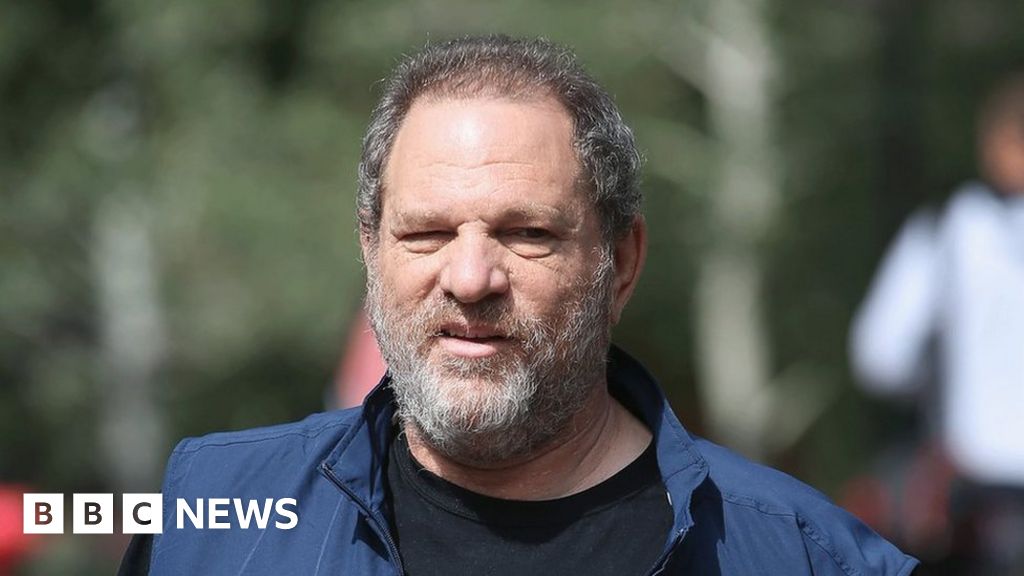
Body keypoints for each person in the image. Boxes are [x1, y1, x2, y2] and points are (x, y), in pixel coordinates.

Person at [121, 35, 916, 575]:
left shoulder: (803, 555)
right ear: (370, 251)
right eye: (426, 233)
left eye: (526, 233)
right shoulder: (213, 511)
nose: (471, 278)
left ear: (621, 261)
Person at [850, 73, 1024, 572]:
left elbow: (880, 357)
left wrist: (938, 385)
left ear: (999, 144)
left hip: (977, 501)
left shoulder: (950, 228)